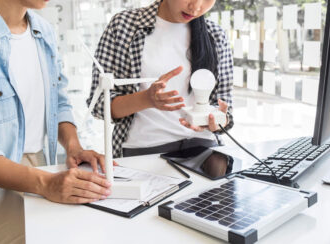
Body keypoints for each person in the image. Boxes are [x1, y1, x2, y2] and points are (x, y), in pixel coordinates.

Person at [0, 0, 114, 243]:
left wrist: (74, 147)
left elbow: (59, 102)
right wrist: (45, 184)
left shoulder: (43, 30)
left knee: (100, 224)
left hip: (38, 170)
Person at [88, 0, 234, 175]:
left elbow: (225, 110)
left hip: (204, 151)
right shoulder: (124, 26)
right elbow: (98, 105)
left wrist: (218, 121)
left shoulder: (215, 35)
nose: (196, 7)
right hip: (142, 150)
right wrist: (146, 99)